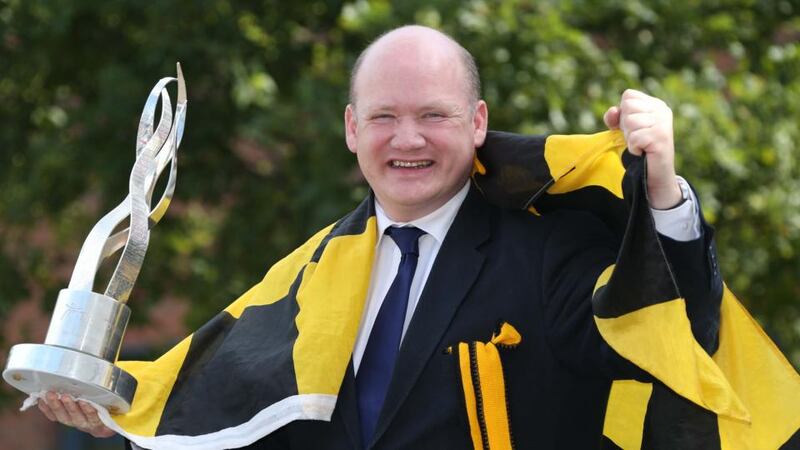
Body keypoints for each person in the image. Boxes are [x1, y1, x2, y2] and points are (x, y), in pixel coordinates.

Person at [36, 25, 720, 449]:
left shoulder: (549, 248)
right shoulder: (308, 274)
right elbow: (233, 414)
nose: (408, 139)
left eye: (434, 115)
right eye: (384, 116)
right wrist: (119, 414)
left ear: (478, 122)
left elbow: (671, 336)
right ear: (352, 129)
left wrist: (662, 192)